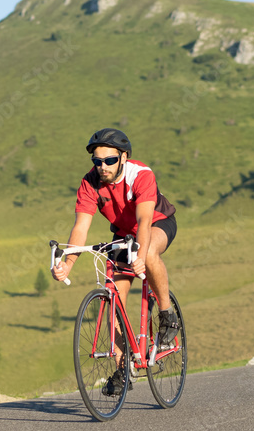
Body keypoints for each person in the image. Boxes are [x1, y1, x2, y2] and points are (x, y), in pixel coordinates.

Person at [51, 128, 179, 393]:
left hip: (157, 223)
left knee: (150, 253)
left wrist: (141, 257)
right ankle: (124, 369)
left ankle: (167, 316)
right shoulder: (90, 183)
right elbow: (81, 228)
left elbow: (144, 221)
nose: (102, 166)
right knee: (114, 302)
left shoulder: (141, 175)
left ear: (123, 157)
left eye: (109, 160)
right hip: (122, 235)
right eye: (97, 161)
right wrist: (68, 264)